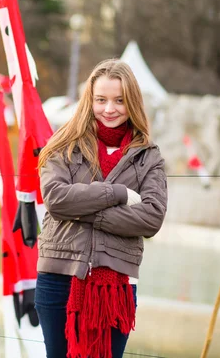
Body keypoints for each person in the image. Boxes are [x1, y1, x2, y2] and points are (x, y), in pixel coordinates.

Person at [35, 59, 168, 358]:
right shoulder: (62, 145)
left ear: (132, 101)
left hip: (115, 289)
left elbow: (151, 218)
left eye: (119, 100)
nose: (110, 109)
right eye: (101, 100)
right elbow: (56, 199)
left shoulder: (149, 157)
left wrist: (82, 209)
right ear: (89, 101)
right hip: (58, 278)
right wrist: (117, 193)